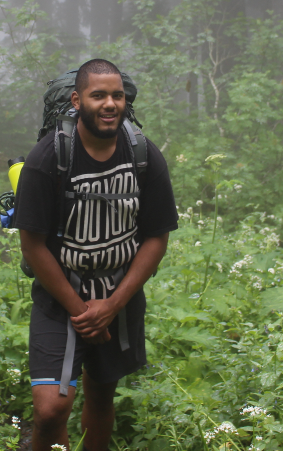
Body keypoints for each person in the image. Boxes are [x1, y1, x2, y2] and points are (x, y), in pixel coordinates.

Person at [14, 58, 178, 451]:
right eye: (98, 95)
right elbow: (32, 245)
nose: (110, 104)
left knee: (102, 394)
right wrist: (83, 312)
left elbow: (157, 238)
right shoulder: (47, 158)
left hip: (119, 296)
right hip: (59, 299)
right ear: (76, 101)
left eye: (117, 96)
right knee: (50, 411)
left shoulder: (142, 154)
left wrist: (112, 305)